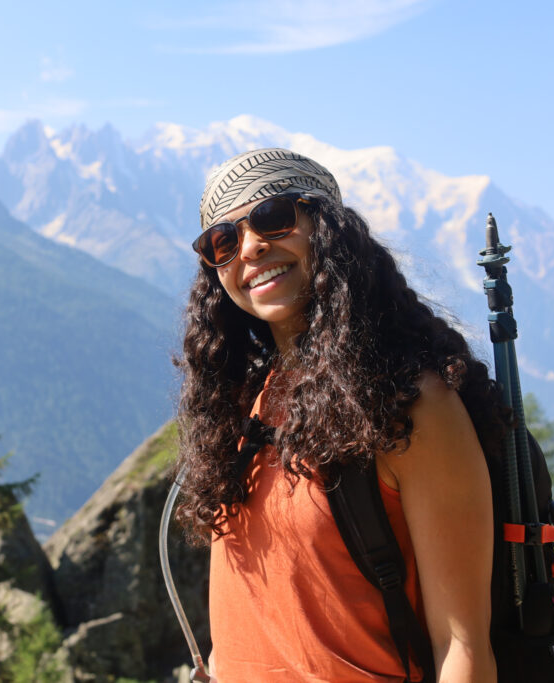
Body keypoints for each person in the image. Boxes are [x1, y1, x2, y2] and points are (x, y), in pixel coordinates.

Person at [175, 148, 506, 682]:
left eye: (273, 218)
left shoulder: (408, 406)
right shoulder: (244, 408)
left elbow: (462, 648)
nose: (252, 247)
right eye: (223, 241)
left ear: (328, 228)